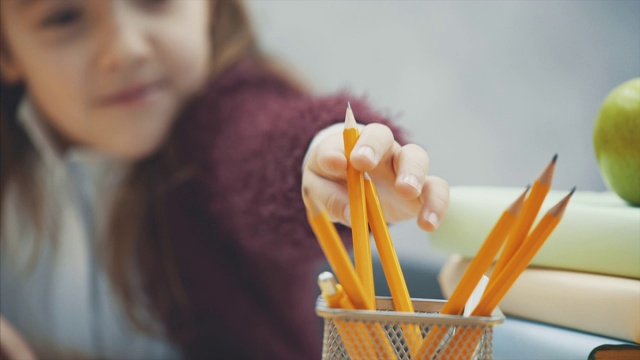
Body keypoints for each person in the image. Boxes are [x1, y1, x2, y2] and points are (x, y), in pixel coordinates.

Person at [0, 0, 450, 358]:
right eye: (63, 17)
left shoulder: (218, 125)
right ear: (7, 51)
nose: (126, 48)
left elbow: (264, 143)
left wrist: (324, 159)